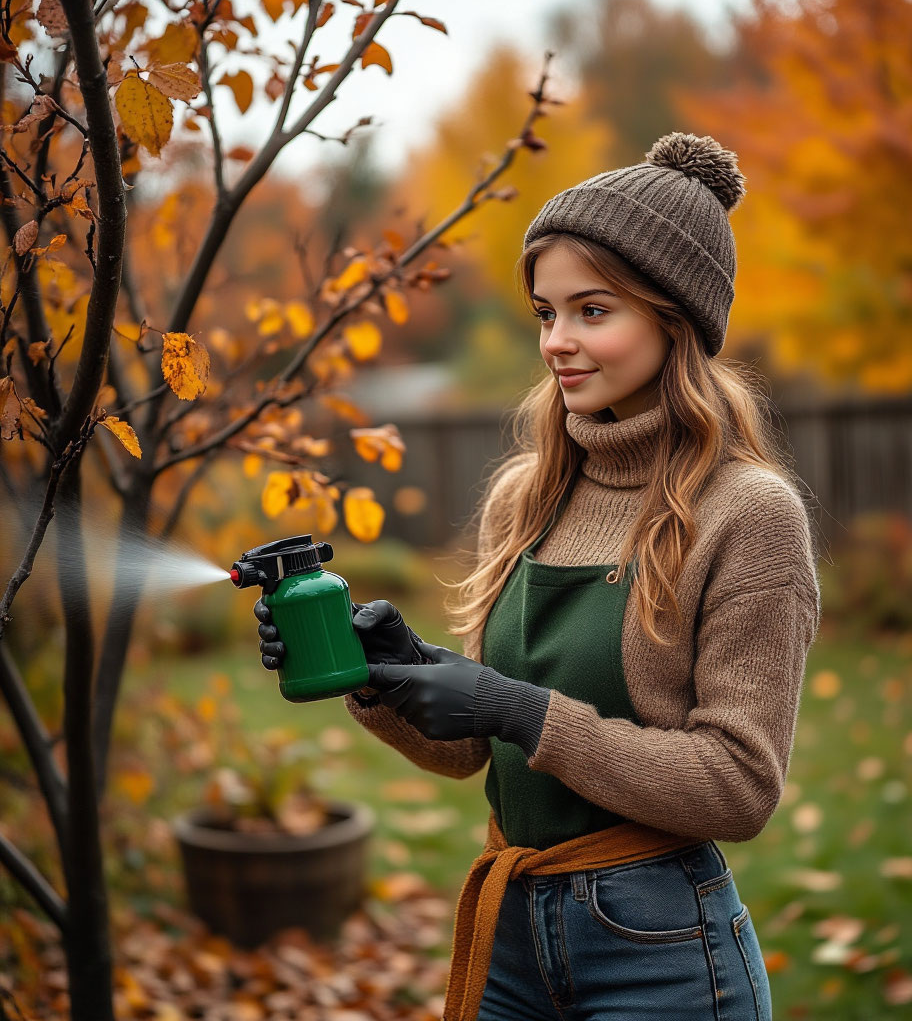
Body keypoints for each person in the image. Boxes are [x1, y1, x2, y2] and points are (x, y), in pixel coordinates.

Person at [254, 131, 820, 1021]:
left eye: (592, 310)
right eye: (546, 313)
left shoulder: (747, 513)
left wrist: (518, 708)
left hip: (660, 949)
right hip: (513, 935)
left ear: (675, 319)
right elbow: (473, 753)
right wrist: (378, 675)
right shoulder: (529, 493)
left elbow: (738, 785)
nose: (558, 341)